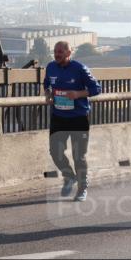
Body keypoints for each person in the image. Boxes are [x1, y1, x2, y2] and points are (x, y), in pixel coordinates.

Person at [43, 41, 102, 202]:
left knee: (79, 156)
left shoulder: (80, 68)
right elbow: (47, 84)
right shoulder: (50, 67)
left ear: (69, 53)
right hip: (58, 116)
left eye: (61, 52)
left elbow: (97, 89)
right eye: (55, 51)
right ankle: (69, 176)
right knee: (55, 152)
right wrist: (48, 94)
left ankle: (82, 188)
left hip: (78, 118)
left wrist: (78, 94)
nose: (57, 54)